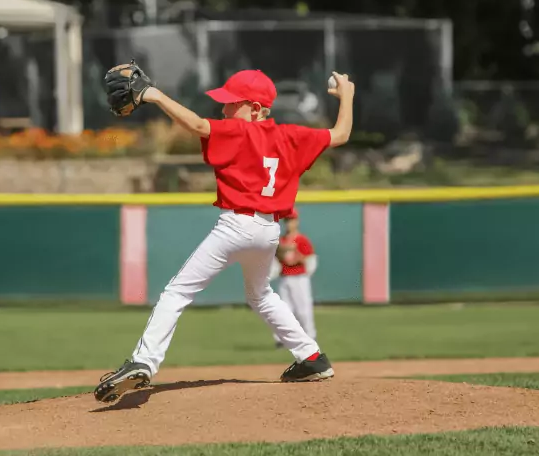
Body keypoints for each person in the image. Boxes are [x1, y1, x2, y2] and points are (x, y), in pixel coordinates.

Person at [94, 68, 356, 403]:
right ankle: (311, 358)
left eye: (232, 104)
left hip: (236, 226)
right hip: (268, 231)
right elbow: (340, 134)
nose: (224, 110)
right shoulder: (292, 135)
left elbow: (197, 125)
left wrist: (155, 95)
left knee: (176, 292)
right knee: (261, 295)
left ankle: (144, 362)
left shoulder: (240, 132)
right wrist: (346, 95)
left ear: (256, 109)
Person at [270, 208, 318, 347]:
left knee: (303, 310)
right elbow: (276, 261)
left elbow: (310, 260)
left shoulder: (302, 240)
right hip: (285, 278)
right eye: (287, 220)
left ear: (297, 221)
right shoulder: (282, 240)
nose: (289, 223)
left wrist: (298, 257)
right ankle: (282, 339)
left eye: (292, 220)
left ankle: (310, 336)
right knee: (284, 310)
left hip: (300, 278)